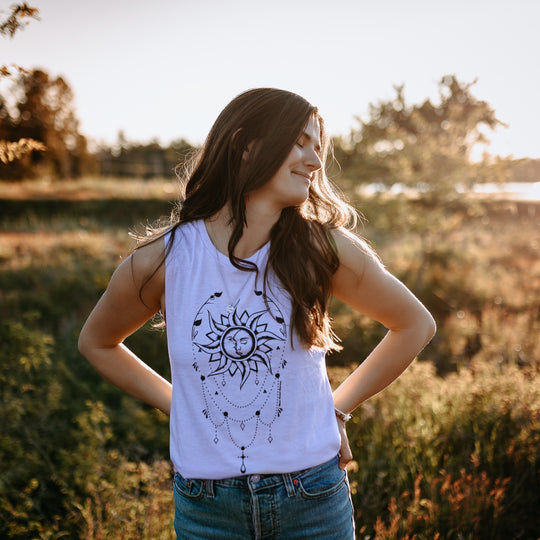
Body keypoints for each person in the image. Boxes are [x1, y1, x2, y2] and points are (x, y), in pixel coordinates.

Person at [78, 88, 436, 539]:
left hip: (312, 499)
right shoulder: (163, 261)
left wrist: (337, 412)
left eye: (318, 147)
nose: (315, 161)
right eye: (301, 142)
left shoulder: (322, 248)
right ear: (246, 145)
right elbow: (97, 342)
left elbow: (414, 324)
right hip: (208, 510)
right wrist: (178, 404)